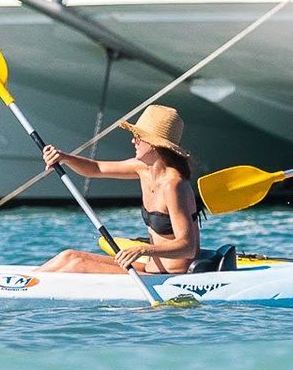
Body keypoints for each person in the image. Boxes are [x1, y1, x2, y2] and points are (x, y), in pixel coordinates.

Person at [38, 104, 201, 274]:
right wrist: (64, 158)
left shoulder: (173, 185)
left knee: (76, 266)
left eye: (138, 136)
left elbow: (187, 247)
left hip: (171, 277)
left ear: (153, 143)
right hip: (150, 268)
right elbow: (96, 168)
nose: (133, 141)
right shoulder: (143, 168)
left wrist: (142, 250)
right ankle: (23, 284)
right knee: (69, 257)